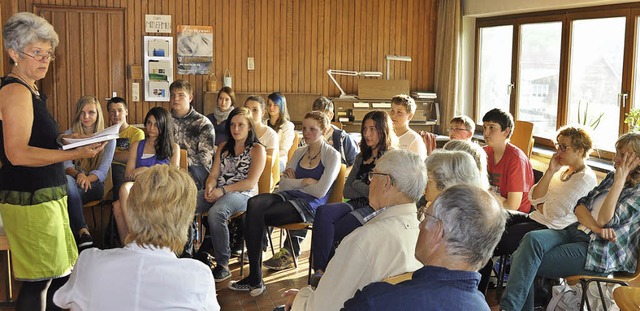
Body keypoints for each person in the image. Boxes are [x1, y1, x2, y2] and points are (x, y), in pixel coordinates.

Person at [0, 12, 104, 309]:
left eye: (48, 53)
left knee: (57, 276)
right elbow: (17, 153)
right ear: (13, 53)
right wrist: (74, 154)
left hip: (45, 194)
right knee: (40, 281)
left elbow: (39, 139)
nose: (45, 60)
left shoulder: (31, 90)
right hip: (31, 197)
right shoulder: (15, 91)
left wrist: (70, 140)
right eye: (37, 53)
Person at [500, 132, 640, 311]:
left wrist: (619, 182)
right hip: (576, 231)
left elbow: (606, 219)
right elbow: (580, 206)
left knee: (524, 262)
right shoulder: (612, 176)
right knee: (531, 239)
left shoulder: (635, 191)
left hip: (597, 251)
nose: (616, 158)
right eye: (617, 152)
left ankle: (509, 308)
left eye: (623, 154)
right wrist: (596, 228)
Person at [53, 165, 220, 310]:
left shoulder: (89, 262)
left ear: (130, 210)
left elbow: (67, 303)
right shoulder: (198, 277)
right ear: (185, 219)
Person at [282, 150, 426, 311]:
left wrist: (301, 297)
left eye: (373, 175)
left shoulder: (363, 240)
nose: (370, 182)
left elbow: (322, 307)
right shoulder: (426, 233)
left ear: (386, 183)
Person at [228, 111, 340, 296]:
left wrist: (297, 182)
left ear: (324, 130)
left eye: (313, 129)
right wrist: (305, 182)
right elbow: (284, 182)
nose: (307, 132)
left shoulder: (332, 155)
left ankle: (255, 279)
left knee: (252, 216)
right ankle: (255, 278)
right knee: (254, 203)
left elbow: (320, 191)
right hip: (288, 195)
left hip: (309, 205)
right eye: (304, 128)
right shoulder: (299, 151)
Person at [343, 184, 506, 311]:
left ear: (437, 231)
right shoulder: (481, 306)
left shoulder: (379, 302)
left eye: (425, 216)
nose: (421, 225)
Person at [478, 125, 598, 294]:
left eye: (564, 147)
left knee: (494, 240)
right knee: (490, 220)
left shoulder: (585, 178)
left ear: (579, 150)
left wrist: (542, 204)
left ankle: (476, 294)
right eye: (557, 145)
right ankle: (477, 289)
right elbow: (533, 197)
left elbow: (554, 213)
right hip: (535, 217)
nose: (558, 151)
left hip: (552, 229)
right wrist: (549, 172)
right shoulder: (561, 171)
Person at [310, 110, 396, 283]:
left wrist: (357, 184)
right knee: (323, 213)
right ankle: (320, 270)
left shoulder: (391, 157)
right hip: (356, 203)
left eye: (373, 129)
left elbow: (379, 195)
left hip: (375, 207)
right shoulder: (361, 157)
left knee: (337, 228)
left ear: (383, 130)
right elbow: (346, 192)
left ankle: (332, 275)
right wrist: (365, 187)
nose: (367, 134)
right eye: (365, 129)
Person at [196, 107, 266, 282]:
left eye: (241, 125)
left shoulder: (257, 149)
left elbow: (250, 182)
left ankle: (223, 264)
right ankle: (185, 251)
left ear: (250, 127)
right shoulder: (223, 147)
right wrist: (210, 186)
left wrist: (223, 191)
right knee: (186, 202)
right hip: (220, 191)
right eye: (233, 125)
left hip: (243, 194)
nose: (236, 129)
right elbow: (213, 175)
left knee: (216, 213)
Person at [113, 106, 180, 244]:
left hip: (160, 190)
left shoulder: (173, 147)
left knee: (118, 206)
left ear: (164, 126)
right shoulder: (137, 145)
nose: (151, 128)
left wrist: (145, 170)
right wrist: (142, 173)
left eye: (156, 124)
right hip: (138, 187)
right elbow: (128, 174)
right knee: (123, 191)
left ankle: (133, 242)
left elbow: (173, 177)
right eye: (149, 123)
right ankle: (131, 240)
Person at [63, 95, 116, 251]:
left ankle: (73, 236)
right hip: (73, 179)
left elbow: (102, 172)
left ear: (98, 114)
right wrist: (78, 175)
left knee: (68, 197)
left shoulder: (109, 138)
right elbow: (66, 164)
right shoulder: (69, 135)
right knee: (67, 181)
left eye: (91, 112)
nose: (86, 117)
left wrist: (86, 177)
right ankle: (83, 233)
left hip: (95, 184)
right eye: (82, 112)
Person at [482, 108, 534, 212]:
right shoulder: (484, 152)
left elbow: (512, 205)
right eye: (484, 127)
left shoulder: (516, 159)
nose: (486, 133)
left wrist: (483, 197)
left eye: (492, 128)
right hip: (493, 207)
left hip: (514, 215)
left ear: (506, 131)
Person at [170, 79, 215, 189]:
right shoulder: (164, 121)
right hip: (168, 167)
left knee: (179, 184)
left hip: (196, 170)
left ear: (190, 98)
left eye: (181, 95)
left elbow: (205, 158)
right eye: (172, 95)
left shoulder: (203, 123)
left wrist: (181, 163)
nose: (175, 99)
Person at [107, 96, 144, 202]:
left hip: (126, 169)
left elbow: (133, 156)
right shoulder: (105, 133)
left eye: (120, 110)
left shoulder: (137, 133)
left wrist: (110, 155)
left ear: (126, 112)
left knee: (118, 174)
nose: (116, 115)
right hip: (107, 169)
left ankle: (118, 213)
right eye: (112, 111)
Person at [311, 96, 359, 167]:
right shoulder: (308, 137)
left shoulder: (344, 138)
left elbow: (355, 167)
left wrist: (341, 174)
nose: (318, 121)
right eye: (314, 117)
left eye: (322, 117)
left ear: (331, 116)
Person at [389, 94, 427, 161]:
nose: (394, 116)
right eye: (392, 111)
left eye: (399, 112)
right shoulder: (386, 134)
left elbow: (418, 167)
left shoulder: (414, 139)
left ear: (409, 116)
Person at [267, 92, 295, 171]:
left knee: (267, 168)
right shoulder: (263, 123)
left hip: (278, 160)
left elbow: (284, 151)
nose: (271, 107)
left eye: (275, 105)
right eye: (269, 104)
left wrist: (269, 156)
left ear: (281, 106)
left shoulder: (288, 126)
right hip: (262, 159)